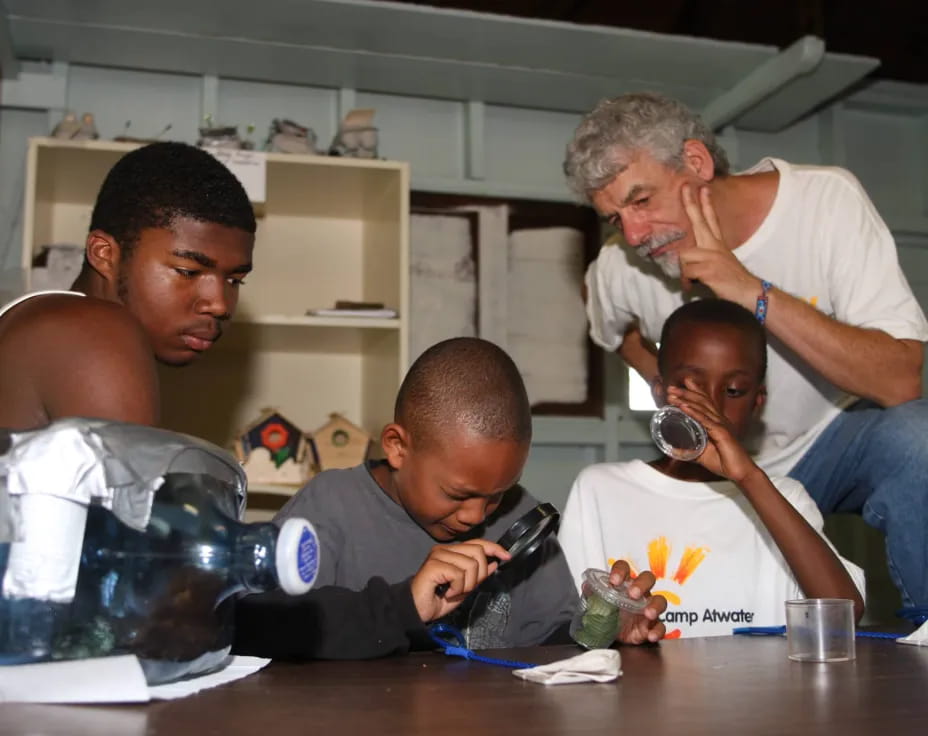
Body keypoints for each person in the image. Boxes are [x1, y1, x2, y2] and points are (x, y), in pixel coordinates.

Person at [563, 91, 928, 616]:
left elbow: (902, 381)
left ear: (697, 162)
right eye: (616, 218)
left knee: (918, 439)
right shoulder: (621, 267)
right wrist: (662, 382)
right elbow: (601, 312)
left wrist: (748, 291)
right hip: (713, 464)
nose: (635, 234)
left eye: (641, 201)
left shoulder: (824, 202)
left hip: (832, 440)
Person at [234, 337, 667, 659]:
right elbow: (253, 624)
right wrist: (404, 606)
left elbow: (546, 647)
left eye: (496, 494)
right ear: (398, 447)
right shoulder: (331, 506)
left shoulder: (519, 513)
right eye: (457, 494)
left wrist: (603, 629)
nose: (476, 515)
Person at [560, 299, 865, 638]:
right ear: (660, 393)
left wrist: (747, 477)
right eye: (692, 387)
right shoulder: (600, 490)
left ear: (757, 403)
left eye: (733, 391)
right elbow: (566, 632)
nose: (712, 407)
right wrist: (613, 631)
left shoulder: (785, 500)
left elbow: (845, 616)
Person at [0, 142, 256, 431]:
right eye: (188, 271)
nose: (220, 304)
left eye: (234, 280)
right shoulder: (92, 331)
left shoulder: (39, 321)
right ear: (104, 253)